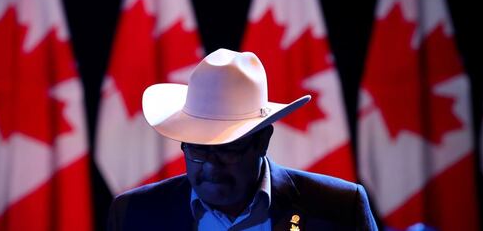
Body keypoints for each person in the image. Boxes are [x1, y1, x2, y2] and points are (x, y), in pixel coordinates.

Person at [107, 48, 379, 230]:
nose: (211, 166)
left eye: (227, 149)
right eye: (199, 149)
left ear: (262, 141)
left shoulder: (340, 208)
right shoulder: (134, 213)